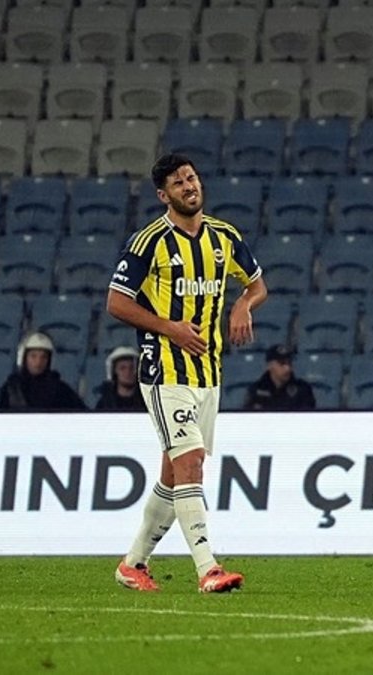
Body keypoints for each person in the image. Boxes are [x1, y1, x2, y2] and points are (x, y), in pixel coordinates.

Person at [107, 153, 267, 594]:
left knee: (174, 473)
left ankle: (133, 565)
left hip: (208, 372)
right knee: (191, 460)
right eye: (178, 183)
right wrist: (168, 327)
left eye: (191, 178)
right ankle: (208, 568)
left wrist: (243, 303)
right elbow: (117, 302)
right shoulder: (149, 242)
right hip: (164, 371)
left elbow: (257, 284)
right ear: (164, 196)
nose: (189, 186)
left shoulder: (224, 237)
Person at [0, 332, 87, 411]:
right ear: (24, 358)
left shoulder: (60, 390)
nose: (38, 362)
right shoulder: (11, 388)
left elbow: (84, 415)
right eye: (33, 356)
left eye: (44, 357)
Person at [245, 345, 315, 410]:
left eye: (289, 363)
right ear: (269, 365)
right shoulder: (256, 390)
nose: (287, 368)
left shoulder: (302, 390)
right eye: (282, 363)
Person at [94, 346, 148, 411]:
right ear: (114, 371)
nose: (128, 372)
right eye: (122, 368)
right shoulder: (105, 404)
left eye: (132, 368)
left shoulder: (146, 402)